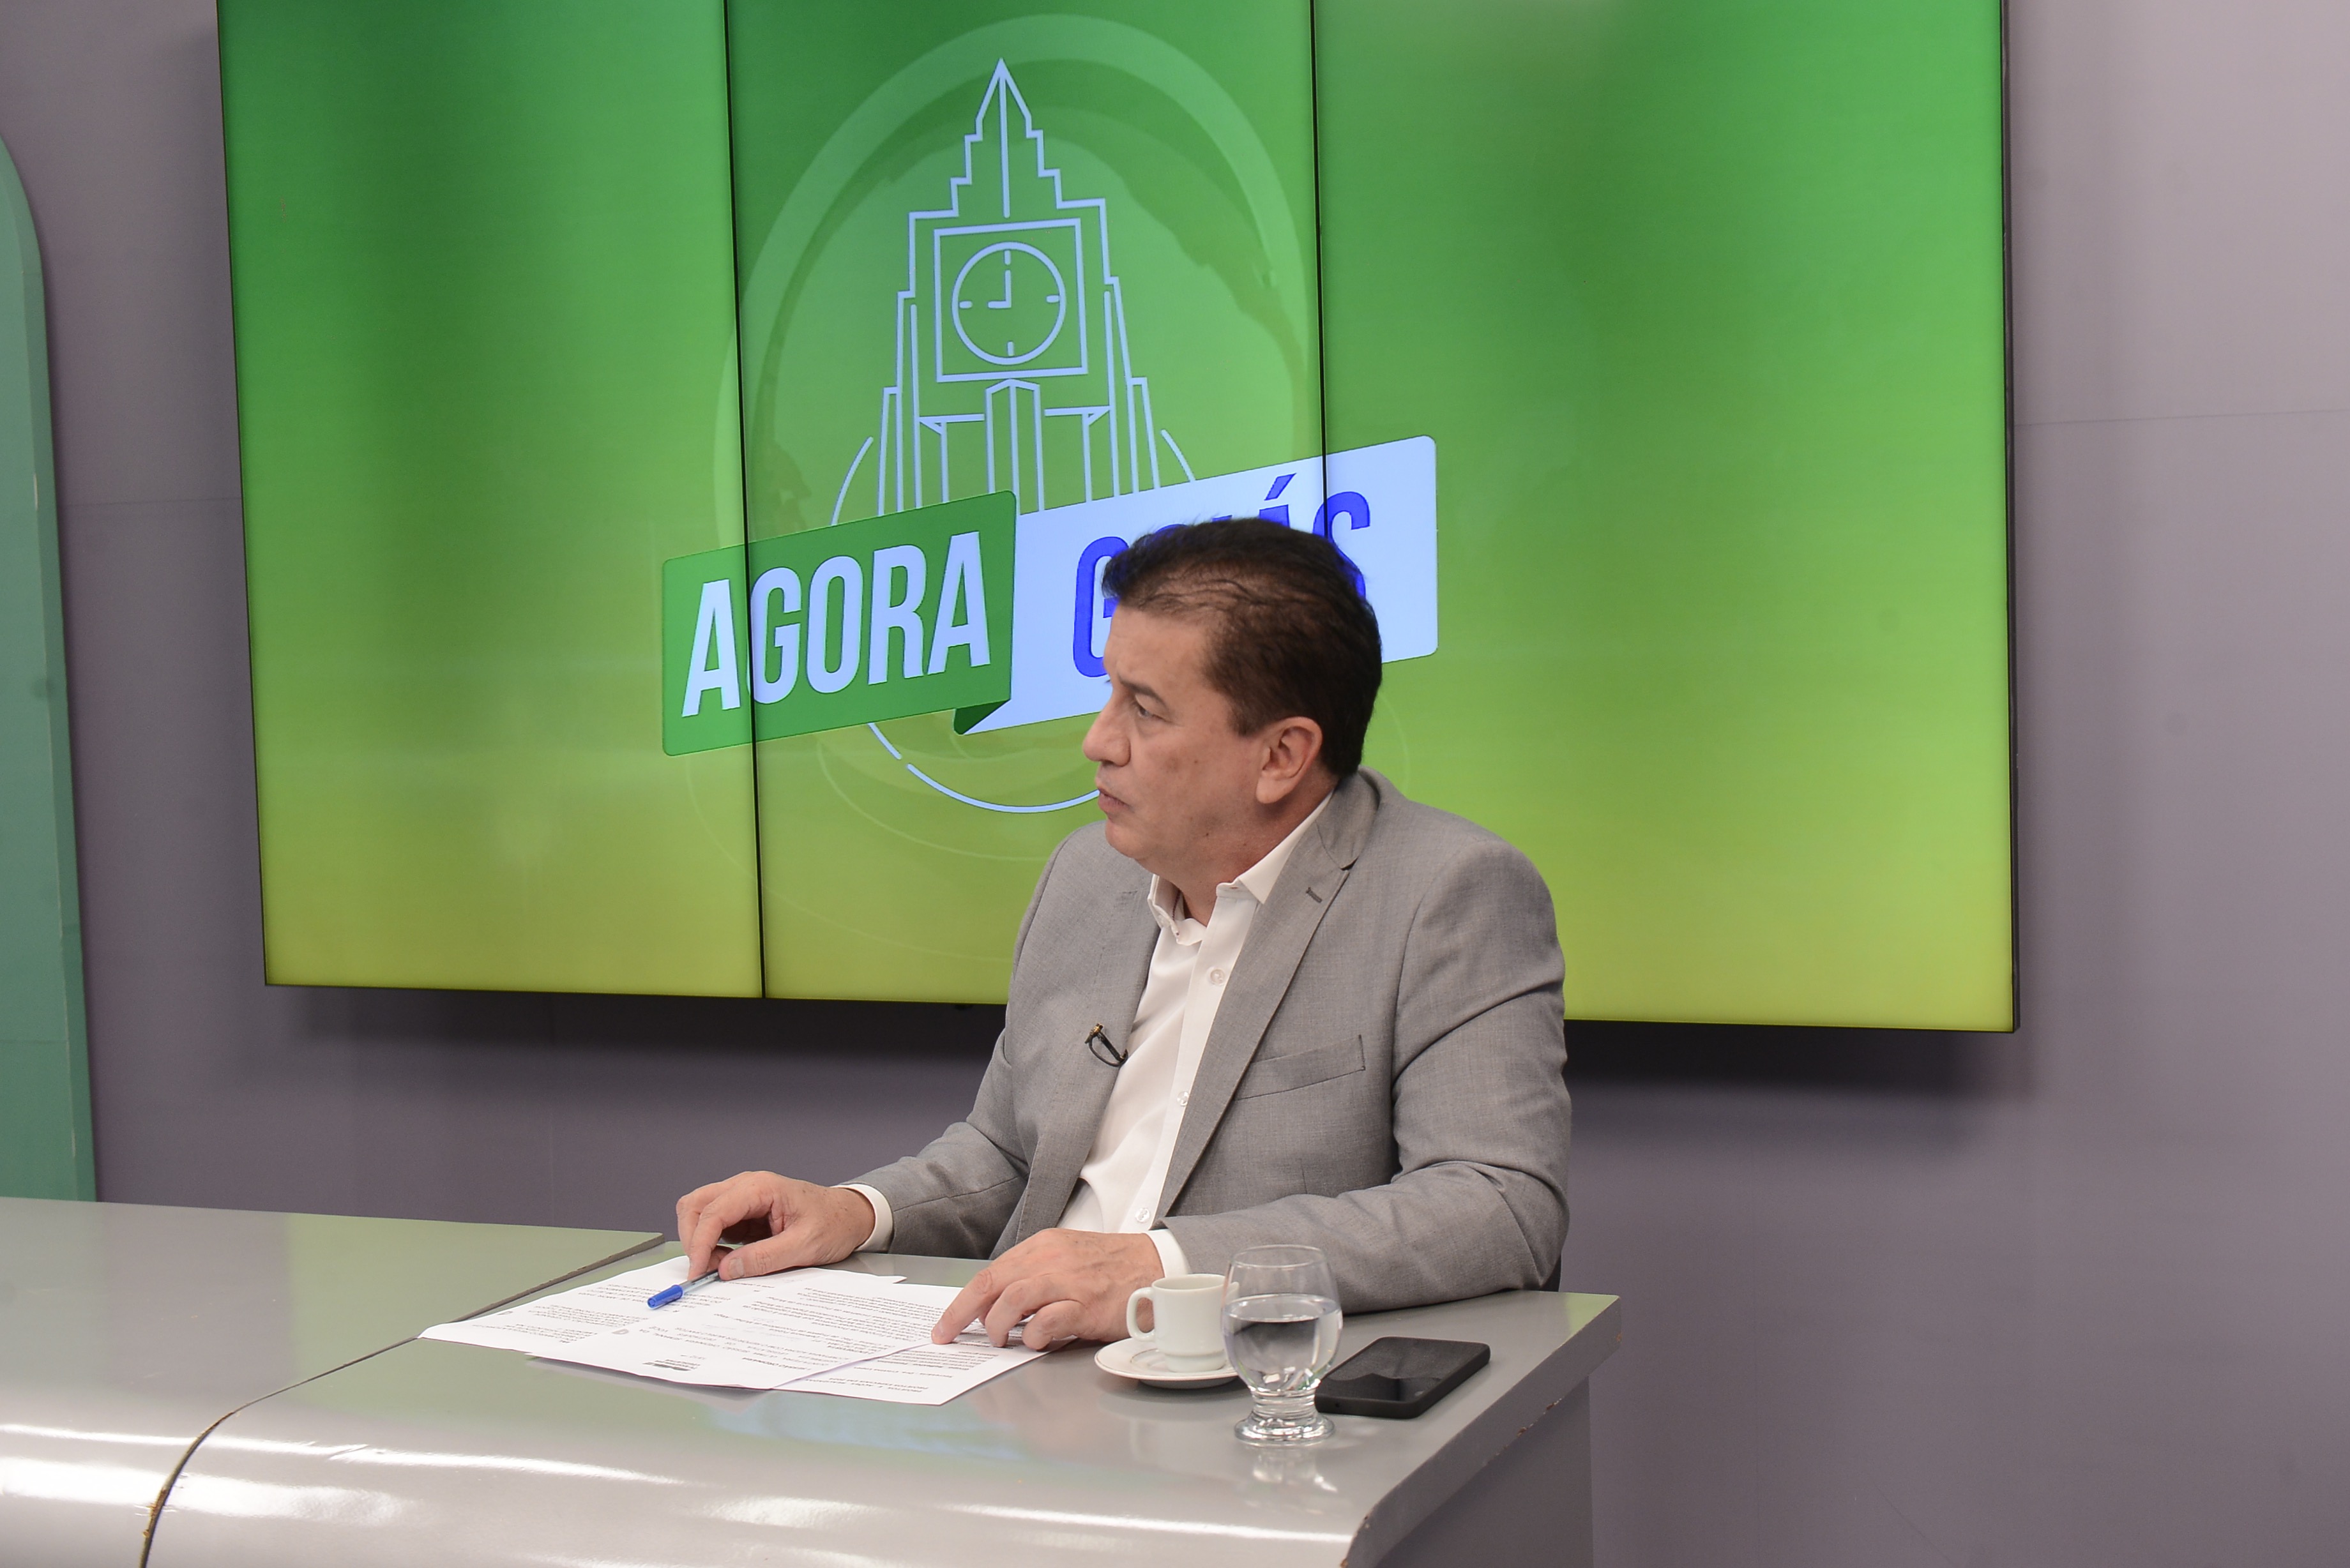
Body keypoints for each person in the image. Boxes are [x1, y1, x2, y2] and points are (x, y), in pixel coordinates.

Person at [676, 518, 1568, 1352]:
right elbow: (1009, 1152)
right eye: (1108, 693)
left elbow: (1497, 1205)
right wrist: (857, 1212)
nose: (1098, 741)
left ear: (1281, 755)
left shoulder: (1446, 894)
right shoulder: (1087, 874)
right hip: (1019, 1375)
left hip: (1249, 1390)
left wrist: (1160, 1268)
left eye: (1145, 709)